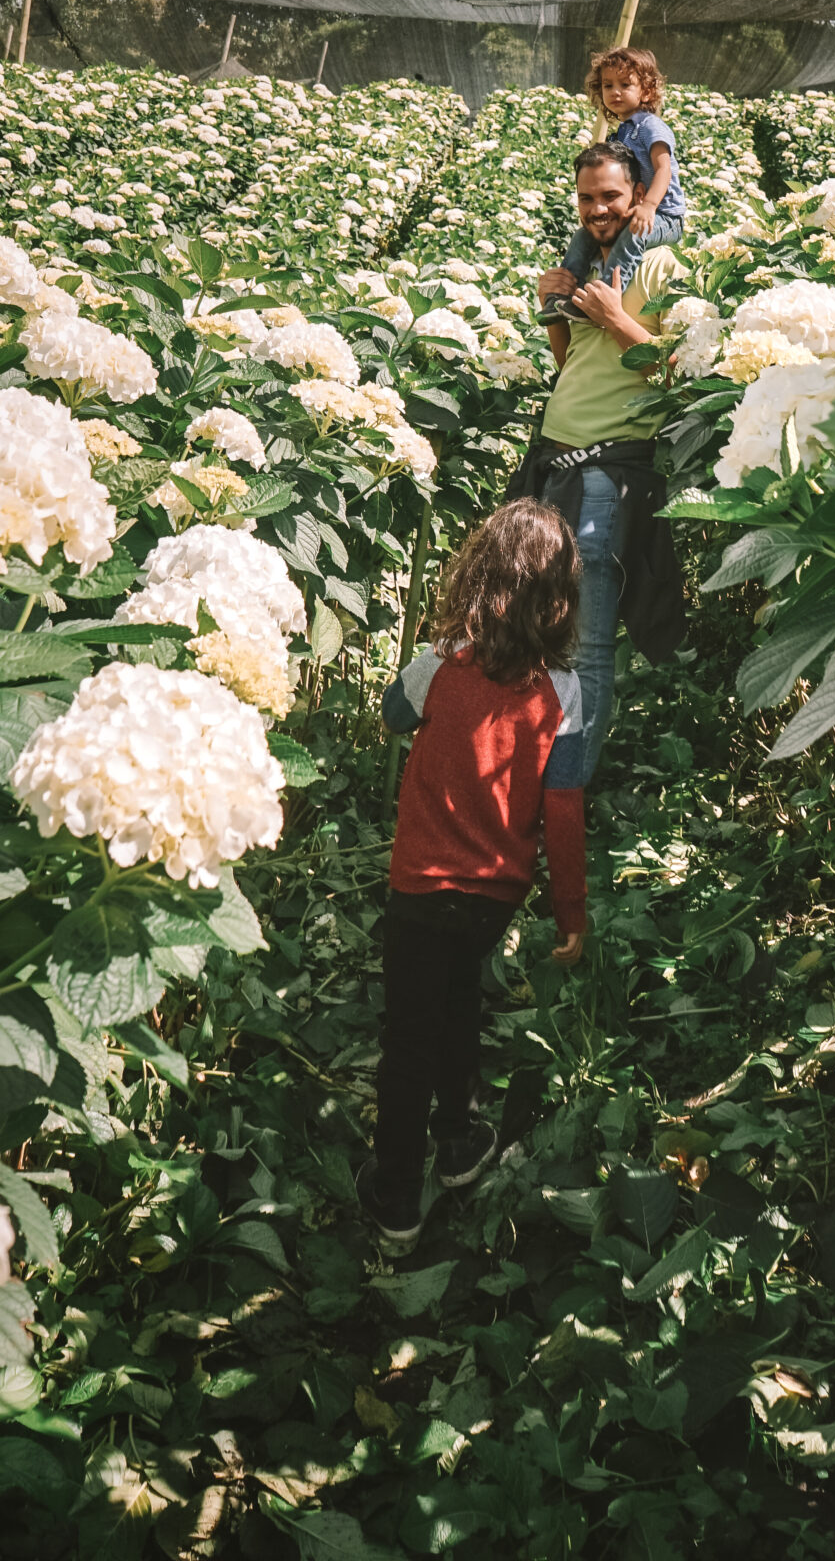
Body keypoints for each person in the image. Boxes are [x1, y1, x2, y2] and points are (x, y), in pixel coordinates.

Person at [361, 499, 587, 1252]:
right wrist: (570, 914)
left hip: (418, 884)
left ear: (479, 576)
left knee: (408, 1036)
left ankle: (395, 1194)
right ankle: (456, 1142)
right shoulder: (565, 692)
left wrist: (431, 655)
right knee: (459, 1001)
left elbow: (392, 716)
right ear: (559, 598)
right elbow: (562, 814)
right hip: (494, 891)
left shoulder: (441, 664)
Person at [513, 142, 687, 785]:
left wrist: (617, 318)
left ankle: (564, 802)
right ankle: (534, 779)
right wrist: (553, 310)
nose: (597, 209)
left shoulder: (664, 266)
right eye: (586, 198)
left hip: (609, 472)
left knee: (587, 651)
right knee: (542, 634)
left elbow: (678, 373)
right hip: (552, 463)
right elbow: (573, 370)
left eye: (610, 195)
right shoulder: (587, 263)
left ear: (638, 192)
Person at [542, 46, 685, 322]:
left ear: (646, 91)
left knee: (635, 233)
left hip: (666, 215)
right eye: (608, 85)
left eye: (625, 84)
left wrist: (650, 206)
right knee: (583, 235)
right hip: (642, 209)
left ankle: (604, 294)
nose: (615, 92)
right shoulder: (623, 131)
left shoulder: (650, 126)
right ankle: (560, 296)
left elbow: (663, 168)